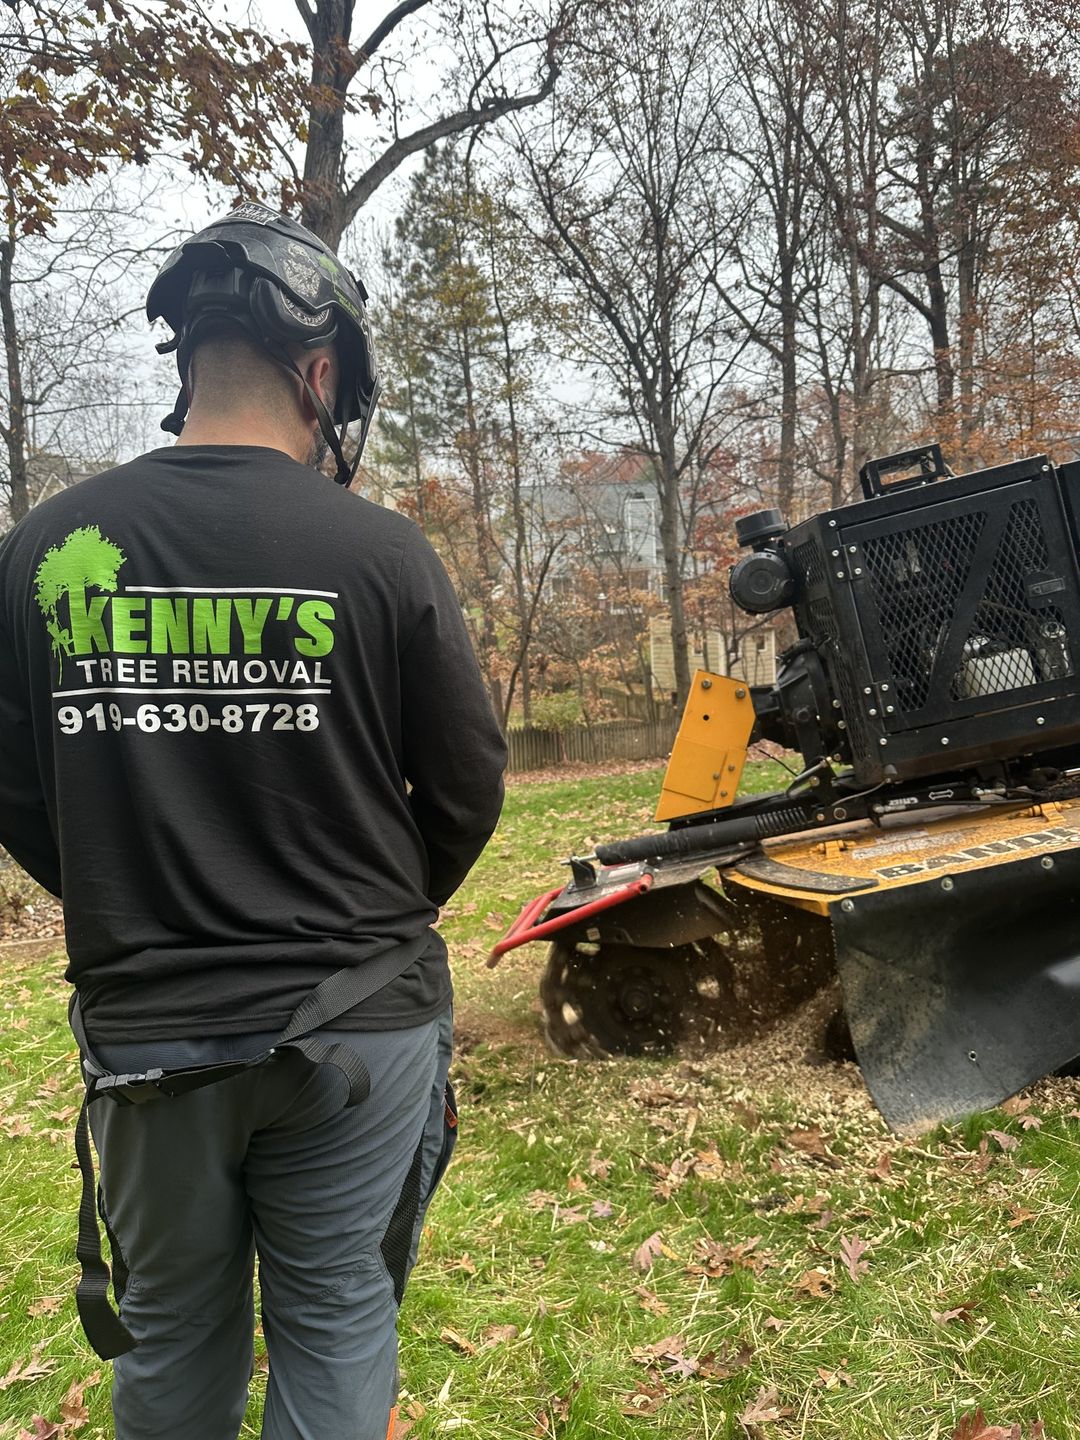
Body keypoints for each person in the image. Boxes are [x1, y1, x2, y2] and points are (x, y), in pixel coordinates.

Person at [0, 203, 507, 1440]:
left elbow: (21, 797)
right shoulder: (383, 554)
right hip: (359, 1027)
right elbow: (468, 786)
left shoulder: (42, 551)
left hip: (152, 1040)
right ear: (323, 371)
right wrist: (381, 911)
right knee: (337, 1322)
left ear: (191, 359)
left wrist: (138, 897)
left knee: (169, 1338)